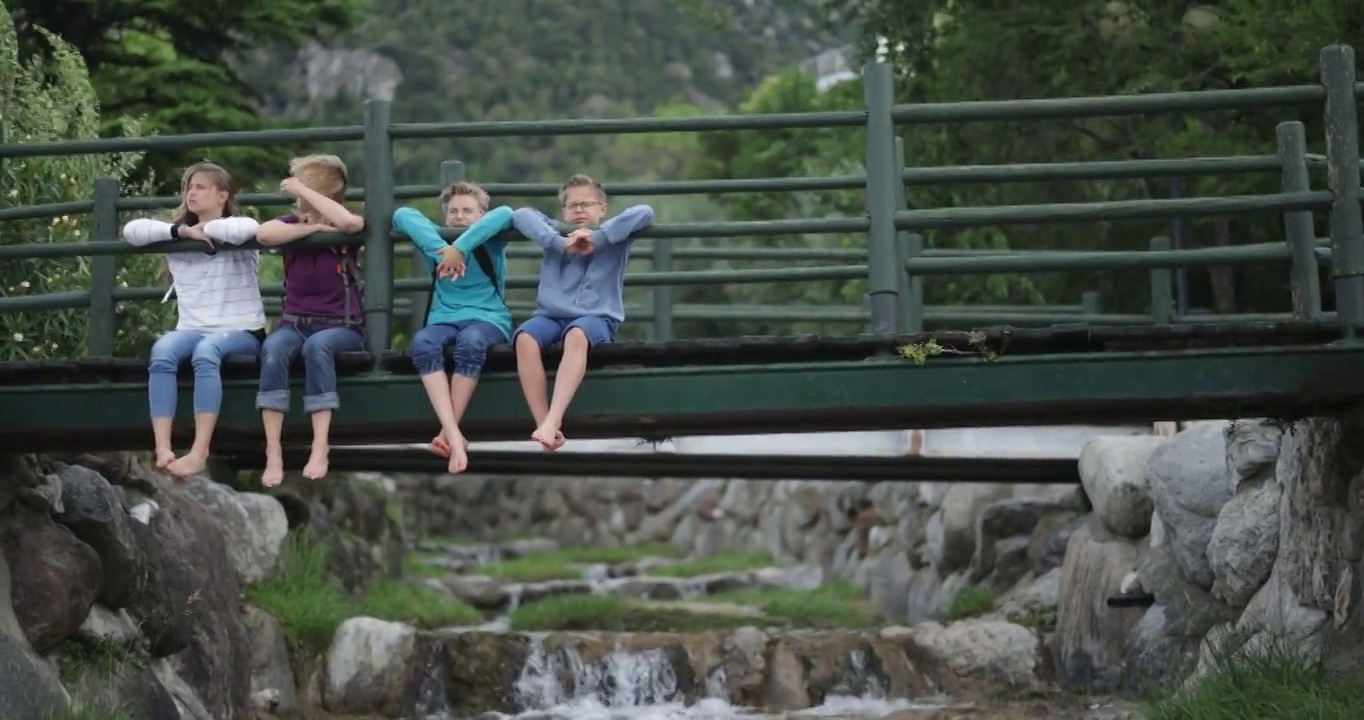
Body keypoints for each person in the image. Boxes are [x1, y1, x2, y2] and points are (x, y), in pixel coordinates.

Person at [121, 162, 264, 478]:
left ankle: (200, 451)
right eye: (189, 187)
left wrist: (207, 229)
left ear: (222, 195)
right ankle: (162, 446)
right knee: (162, 352)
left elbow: (248, 229)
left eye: (201, 187)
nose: (192, 192)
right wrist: (182, 231)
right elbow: (131, 232)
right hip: (191, 328)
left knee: (206, 353)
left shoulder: (235, 229)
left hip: (241, 330)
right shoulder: (176, 234)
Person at [510, 173, 654, 451]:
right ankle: (543, 424)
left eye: (587, 204)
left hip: (597, 317)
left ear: (602, 208)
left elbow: (644, 212)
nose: (579, 210)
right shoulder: (555, 233)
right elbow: (520, 215)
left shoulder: (615, 235)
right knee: (524, 338)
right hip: (550, 316)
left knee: (577, 335)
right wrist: (560, 242)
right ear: (563, 210)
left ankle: (554, 418)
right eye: (572, 205)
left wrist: (598, 239)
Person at [252, 154, 367, 486]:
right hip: (295, 323)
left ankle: (320, 446)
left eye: (305, 183)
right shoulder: (292, 223)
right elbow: (264, 234)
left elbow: (350, 225)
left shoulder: (344, 220)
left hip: (341, 327)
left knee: (318, 348)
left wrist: (313, 206)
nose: (297, 191)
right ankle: (273, 449)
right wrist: (312, 228)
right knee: (273, 350)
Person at [392, 181, 513, 474]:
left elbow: (507, 213)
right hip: (443, 319)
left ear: (480, 215)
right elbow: (402, 215)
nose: (459, 216)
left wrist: (461, 248)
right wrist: (444, 250)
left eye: (468, 211)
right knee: (423, 343)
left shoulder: (491, 240)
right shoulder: (436, 244)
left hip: (488, 319)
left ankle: (449, 431)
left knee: (471, 341)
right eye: (453, 211)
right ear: (445, 216)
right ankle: (454, 434)